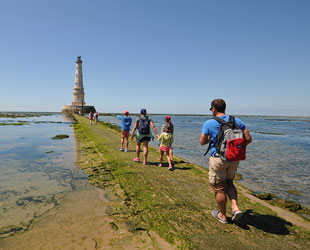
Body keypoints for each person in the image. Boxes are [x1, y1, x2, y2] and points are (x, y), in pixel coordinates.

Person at [200, 99, 252, 224]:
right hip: (234, 159)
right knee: (229, 182)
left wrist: (211, 139)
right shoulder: (236, 120)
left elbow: (202, 142)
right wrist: (234, 149)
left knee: (219, 188)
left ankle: (222, 215)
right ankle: (235, 207)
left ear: (213, 108)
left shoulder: (209, 123)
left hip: (218, 158)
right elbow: (248, 139)